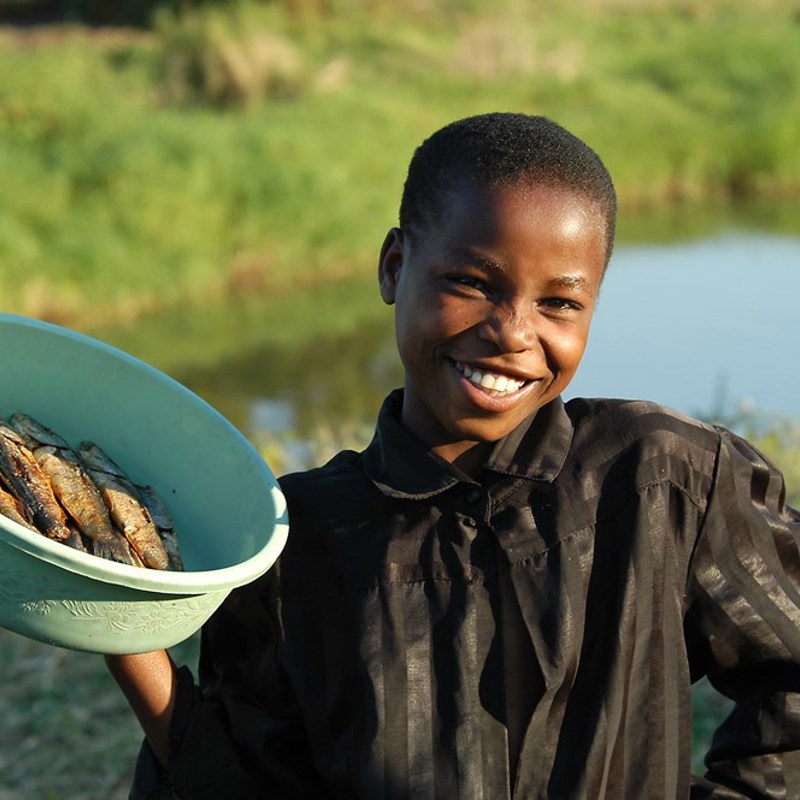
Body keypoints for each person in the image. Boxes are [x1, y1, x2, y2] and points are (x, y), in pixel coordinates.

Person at [107, 112, 800, 799]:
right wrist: (120, 626)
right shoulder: (294, 541)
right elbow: (241, 781)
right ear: (394, 266)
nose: (512, 333)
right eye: (472, 283)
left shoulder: (662, 481)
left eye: (559, 303)